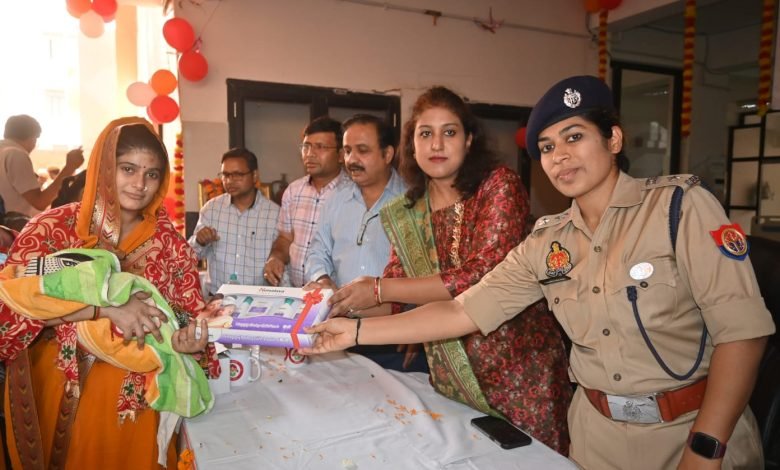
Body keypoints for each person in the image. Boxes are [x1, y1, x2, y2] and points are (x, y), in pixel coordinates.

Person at [302, 76, 776, 469]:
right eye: (547, 146)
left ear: (613, 139)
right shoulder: (548, 242)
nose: (560, 155)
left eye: (574, 137)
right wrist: (355, 331)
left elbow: (743, 335)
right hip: (596, 441)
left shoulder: (678, 209)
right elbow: (462, 311)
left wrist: (705, 448)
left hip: (691, 433)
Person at [326, 87, 571, 453]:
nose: (437, 144)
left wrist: (378, 288)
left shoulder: (498, 186)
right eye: (425, 133)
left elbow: (481, 276)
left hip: (523, 373)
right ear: (412, 144)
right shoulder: (407, 211)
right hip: (453, 377)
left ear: (469, 140)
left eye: (450, 132)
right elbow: (395, 295)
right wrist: (335, 307)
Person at [0, 117, 213, 469]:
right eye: (128, 169)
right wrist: (102, 310)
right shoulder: (54, 230)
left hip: (138, 407)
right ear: (103, 167)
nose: (139, 184)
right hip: (63, 393)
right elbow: (15, 304)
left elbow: (184, 316)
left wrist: (185, 341)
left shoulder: (170, 245)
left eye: (151, 174)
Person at [304, 114, 428, 372]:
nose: (351, 160)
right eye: (347, 150)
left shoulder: (415, 201)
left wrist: (420, 321)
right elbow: (318, 250)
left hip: (396, 335)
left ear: (387, 154)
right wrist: (322, 278)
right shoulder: (336, 200)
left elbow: (432, 270)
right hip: (339, 330)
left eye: (362, 150)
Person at [263, 116, 350, 287]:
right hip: (297, 292)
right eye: (306, 146)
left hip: (336, 294)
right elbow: (285, 238)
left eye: (320, 147)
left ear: (341, 155)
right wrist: (275, 257)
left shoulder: (352, 194)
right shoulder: (294, 191)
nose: (310, 154)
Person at [188, 148, 279, 293]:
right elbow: (190, 256)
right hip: (217, 298)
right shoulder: (211, 209)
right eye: (225, 175)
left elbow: (281, 265)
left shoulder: (274, 214)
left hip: (257, 300)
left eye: (237, 175)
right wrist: (199, 241)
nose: (230, 181)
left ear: (254, 175)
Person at [0, 115, 84, 230]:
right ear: (32, 138)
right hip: (16, 229)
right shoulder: (15, 154)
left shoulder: (3, 151)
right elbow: (40, 202)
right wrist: (69, 167)